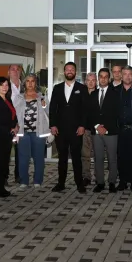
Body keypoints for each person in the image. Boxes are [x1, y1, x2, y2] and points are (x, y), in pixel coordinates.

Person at [49, 62, 88, 193]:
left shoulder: (82, 88)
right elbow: (53, 108)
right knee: (62, 158)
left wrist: (82, 125)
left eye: (72, 69)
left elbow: (85, 110)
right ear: (64, 72)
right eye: (67, 69)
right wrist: (53, 125)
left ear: (75, 72)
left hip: (76, 130)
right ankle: (61, 183)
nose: (69, 71)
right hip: (60, 130)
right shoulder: (57, 88)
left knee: (77, 158)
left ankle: (79, 184)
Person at [14, 74, 49, 190]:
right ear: (24, 83)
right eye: (28, 81)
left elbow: (48, 113)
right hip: (23, 132)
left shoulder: (42, 97)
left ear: (35, 83)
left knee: (39, 158)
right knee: (23, 158)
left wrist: (44, 106)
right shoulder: (19, 97)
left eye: (32, 81)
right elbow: (13, 114)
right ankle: (24, 181)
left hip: (38, 132)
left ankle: (37, 181)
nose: (30, 83)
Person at [89, 68, 120, 192]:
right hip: (96, 131)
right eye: (101, 76)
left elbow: (117, 114)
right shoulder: (93, 94)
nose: (103, 79)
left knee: (112, 159)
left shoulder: (115, 94)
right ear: (98, 78)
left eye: (105, 77)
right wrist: (97, 126)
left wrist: (106, 128)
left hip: (111, 132)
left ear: (109, 78)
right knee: (98, 158)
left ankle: (112, 182)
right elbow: (89, 113)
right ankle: (100, 183)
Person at [0, 76, 18, 198]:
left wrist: (15, 125)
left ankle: (1, 187)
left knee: (4, 162)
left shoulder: (7, 99)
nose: (5, 87)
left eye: (6, 85)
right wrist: (10, 129)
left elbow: (13, 115)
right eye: (2, 85)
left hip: (7, 135)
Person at [81, 72, 97, 186]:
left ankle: (97, 176)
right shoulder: (81, 94)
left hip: (97, 130)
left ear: (96, 82)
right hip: (85, 129)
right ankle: (86, 176)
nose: (91, 82)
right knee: (85, 155)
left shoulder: (100, 94)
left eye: (93, 80)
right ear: (85, 81)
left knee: (97, 155)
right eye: (89, 80)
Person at [9, 64, 23, 183]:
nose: (15, 71)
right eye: (13, 69)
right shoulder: (5, 86)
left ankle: (19, 175)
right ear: (8, 72)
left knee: (21, 152)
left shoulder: (26, 86)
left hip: (23, 124)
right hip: (8, 124)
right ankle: (3, 177)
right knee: (5, 152)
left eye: (18, 69)